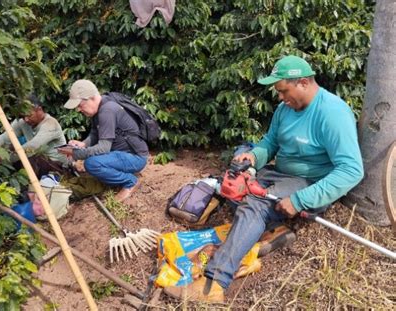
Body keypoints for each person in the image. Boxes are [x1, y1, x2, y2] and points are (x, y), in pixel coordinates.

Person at [163, 55, 364, 302]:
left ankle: (213, 283)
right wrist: (253, 158)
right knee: (236, 185)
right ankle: (272, 230)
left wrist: (301, 200)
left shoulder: (333, 113)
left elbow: (352, 170)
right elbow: (270, 143)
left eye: (283, 91)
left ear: (302, 82)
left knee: (255, 206)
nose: (280, 98)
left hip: (309, 182)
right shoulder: (284, 109)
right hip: (279, 173)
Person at [58, 79, 149, 202]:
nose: (78, 109)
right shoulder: (100, 108)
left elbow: (103, 147)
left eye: (80, 105)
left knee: (92, 164)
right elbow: (95, 134)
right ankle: (121, 174)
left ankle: (130, 182)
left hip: (135, 158)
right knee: (93, 162)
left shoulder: (107, 110)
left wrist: (75, 153)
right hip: (122, 155)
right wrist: (83, 144)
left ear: (91, 98)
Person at [0, 94, 69, 177]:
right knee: (9, 147)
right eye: (23, 116)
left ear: (39, 109)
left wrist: (5, 159)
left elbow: (33, 147)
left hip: (56, 166)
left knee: (31, 156)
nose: (26, 119)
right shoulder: (22, 122)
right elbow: (4, 138)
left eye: (29, 115)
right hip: (36, 162)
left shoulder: (51, 124)